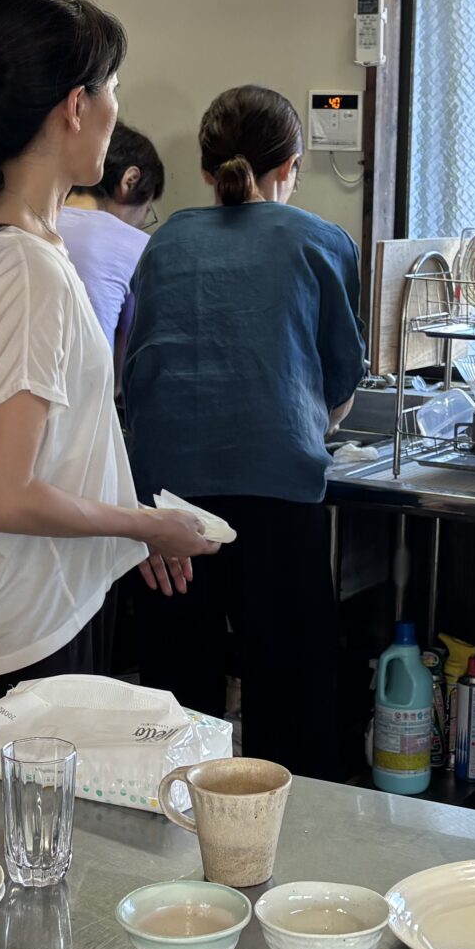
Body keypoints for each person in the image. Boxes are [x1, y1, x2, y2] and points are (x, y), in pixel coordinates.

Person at [0, 0, 217, 767]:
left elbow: (58, 443)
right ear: (75, 106)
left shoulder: (2, 241)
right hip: (17, 628)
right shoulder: (25, 269)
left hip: (14, 610)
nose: (116, 109)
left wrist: (129, 524)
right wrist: (142, 527)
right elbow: (2, 495)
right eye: (114, 89)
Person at [121, 85, 365, 779]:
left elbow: (140, 368)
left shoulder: (163, 242)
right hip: (278, 489)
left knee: (178, 704)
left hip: (169, 502)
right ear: (291, 165)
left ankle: (174, 827)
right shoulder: (321, 240)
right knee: (291, 698)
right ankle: (284, 833)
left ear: (205, 170)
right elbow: (340, 384)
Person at [60, 120, 165, 352]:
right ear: (130, 181)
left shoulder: (33, 223)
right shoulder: (137, 246)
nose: (141, 224)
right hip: (91, 375)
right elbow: (130, 352)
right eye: (146, 210)